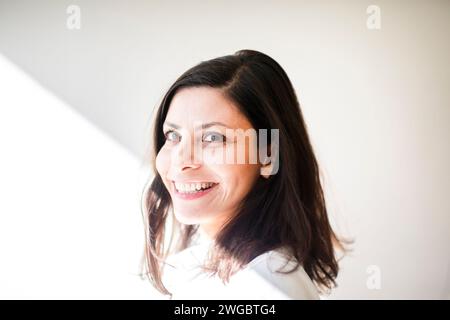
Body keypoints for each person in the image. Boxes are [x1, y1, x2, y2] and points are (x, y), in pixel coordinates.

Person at [141, 49, 345, 299]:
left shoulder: (267, 287)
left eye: (213, 138)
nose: (180, 161)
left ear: (268, 157)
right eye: (173, 136)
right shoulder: (193, 266)